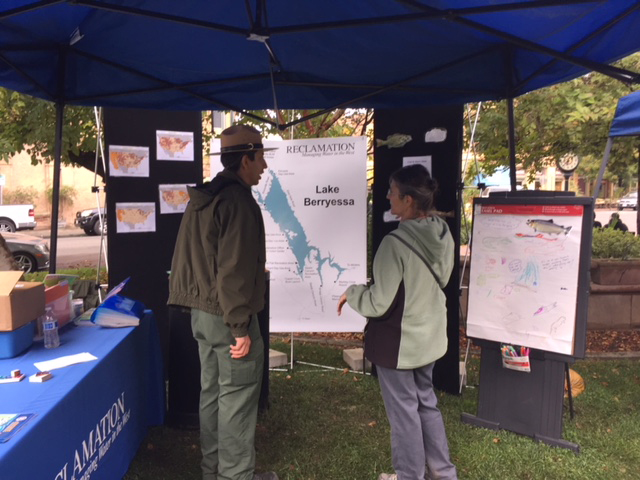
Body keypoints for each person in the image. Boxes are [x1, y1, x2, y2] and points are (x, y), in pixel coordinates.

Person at [168, 124, 278, 480]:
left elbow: (193, 260)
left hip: (202, 316)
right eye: (260, 157)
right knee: (237, 403)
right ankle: (235, 475)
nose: (263, 166)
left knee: (212, 394)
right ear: (245, 158)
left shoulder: (204, 198)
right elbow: (232, 273)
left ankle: (213, 471)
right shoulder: (238, 202)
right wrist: (241, 328)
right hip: (229, 320)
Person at [338, 164, 458, 480]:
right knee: (426, 404)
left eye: (392, 192)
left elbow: (378, 302)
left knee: (404, 413)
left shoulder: (395, 244)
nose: (387, 197)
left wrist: (352, 294)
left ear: (406, 200)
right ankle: (443, 473)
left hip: (399, 345)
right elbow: (442, 279)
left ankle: (408, 475)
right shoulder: (443, 233)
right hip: (430, 337)